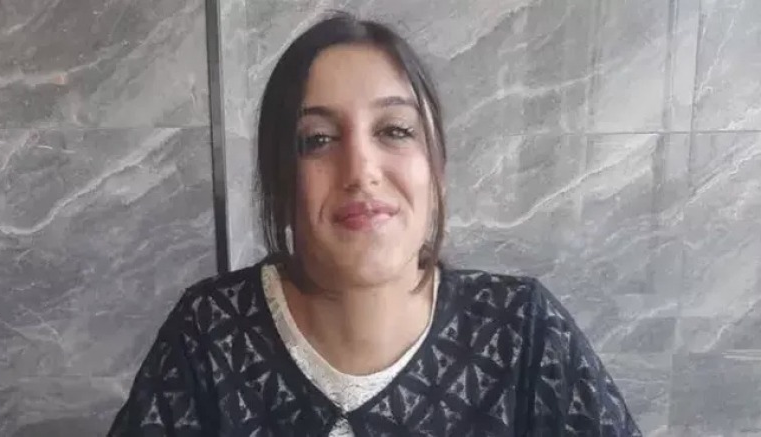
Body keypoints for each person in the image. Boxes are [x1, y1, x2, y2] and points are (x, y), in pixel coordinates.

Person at [107, 12, 642, 437]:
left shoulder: (523, 335)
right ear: (280, 179)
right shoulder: (210, 334)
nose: (361, 170)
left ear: (436, 169)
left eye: (394, 130)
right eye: (318, 139)